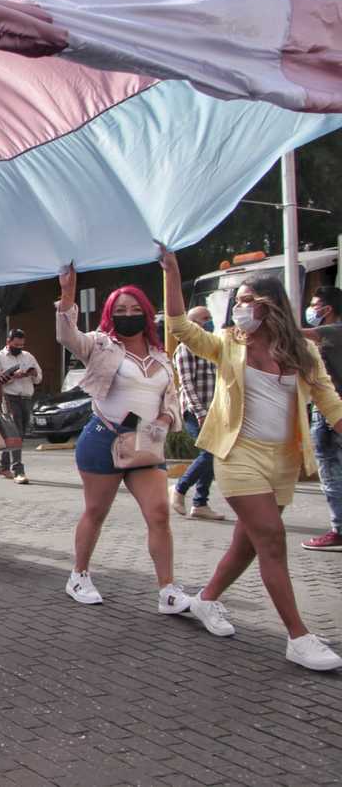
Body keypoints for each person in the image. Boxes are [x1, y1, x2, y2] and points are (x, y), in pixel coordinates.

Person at [162, 247, 342, 670]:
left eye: (246, 300)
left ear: (270, 305)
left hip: (282, 462)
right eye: (237, 301)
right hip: (238, 456)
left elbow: (330, 402)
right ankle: (298, 636)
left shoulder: (303, 351)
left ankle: (206, 599)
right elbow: (180, 327)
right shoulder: (228, 344)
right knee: (272, 540)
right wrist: (172, 272)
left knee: (247, 545)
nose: (238, 308)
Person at [55, 264, 191, 615]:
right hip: (104, 439)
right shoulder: (101, 345)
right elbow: (68, 336)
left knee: (159, 513)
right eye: (120, 310)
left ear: (146, 313)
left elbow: (171, 398)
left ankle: (168, 590)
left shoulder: (161, 355)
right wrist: (68, 293)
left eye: (134, 309)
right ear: (110, 315)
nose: (128, 315)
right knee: (96, 511)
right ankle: (79, 575)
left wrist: (164, 420)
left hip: (146, 442)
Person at [170, 307, 223, 520]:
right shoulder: (186, 348)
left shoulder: (211, 347)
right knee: (209, 453)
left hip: (214, 411)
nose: (209, 322)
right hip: (196, 412)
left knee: (213, 455)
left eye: (210, 318)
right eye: (205, 318)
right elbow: (186, 383)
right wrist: (199, 412)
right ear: (192, 323)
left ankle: (200, 503)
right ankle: (180, 488)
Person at [301, 286, 342, 551]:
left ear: (327, 309)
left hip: (330, 410)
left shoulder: (333, 331)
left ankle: (339, 530)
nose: (311, 309)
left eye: (314, 305)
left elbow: (294, 333)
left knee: (330, 471)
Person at [0, 329, 42, 484]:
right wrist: (13, 377)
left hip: (26, 397)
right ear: (8, 342)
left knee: (19, 434)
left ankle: (3, 465)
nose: (19, 348)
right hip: (9, 397)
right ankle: (18, 470)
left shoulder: (28, 356)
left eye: (21, 345)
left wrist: (32, 373)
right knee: (15, 432)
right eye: (16, 345)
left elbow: (39, 377)